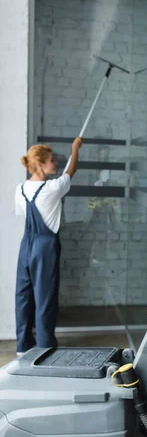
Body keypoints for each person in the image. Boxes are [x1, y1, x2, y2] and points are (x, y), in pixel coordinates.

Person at [14, 138, 83, 356]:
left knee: (23, 295)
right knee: (45, 296)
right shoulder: (52, 188)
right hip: (45, 245)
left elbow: (23, 215)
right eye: (52, 161)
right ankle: (45, 346)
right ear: (41, 164)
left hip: (26, 244)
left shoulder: (21, 189)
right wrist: (75, 148)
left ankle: (23, 346)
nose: (56, 164)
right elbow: (71, 171)